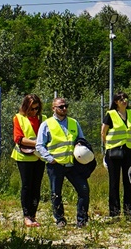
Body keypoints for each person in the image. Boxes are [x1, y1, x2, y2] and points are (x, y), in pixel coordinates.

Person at [35, 97, 93, 228]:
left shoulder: (73, 122)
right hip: (55, 165)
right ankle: (60, 219)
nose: (64, 108)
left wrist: (80, 145)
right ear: (53, 108)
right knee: (56, 194)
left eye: (66, 106)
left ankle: (82, 220)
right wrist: (50, 158)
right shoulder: (46, 124)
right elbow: (40, 145)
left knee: (84, 191)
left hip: (73, 164)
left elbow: (82, 139)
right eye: (61, 107)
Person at [101, 91, 131, 220]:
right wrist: (108, 147)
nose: (124, 101)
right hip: (114, 152)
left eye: (126, 99)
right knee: (114, 182)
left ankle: (129, 212)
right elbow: (103, 132)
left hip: (129, 150)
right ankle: (114, 212)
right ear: (116, 102)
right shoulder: (110, 114)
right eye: (121, 99)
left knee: (128, 182)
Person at [12, 94, 45, 227]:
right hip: (24, 156)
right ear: (25, 107)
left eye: (36, 108)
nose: (34, 111)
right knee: (27, 185)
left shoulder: (44, 119)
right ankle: (26, 216)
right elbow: (18, 138)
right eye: (31, 109)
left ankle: (33, 215)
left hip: (39, 157)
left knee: (36, 186)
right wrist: (37, 143)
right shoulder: (19, 118)